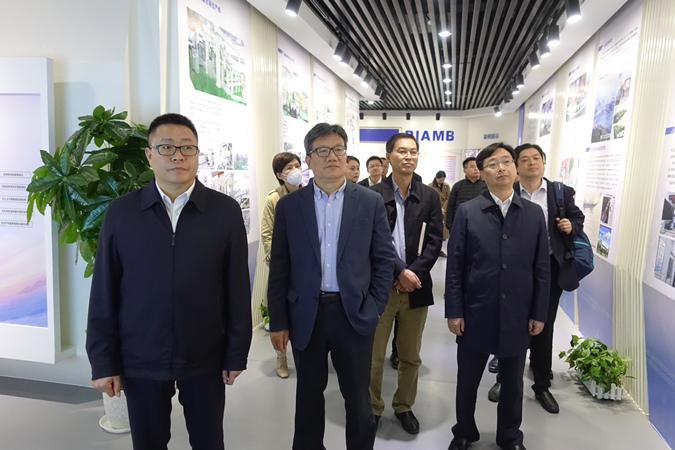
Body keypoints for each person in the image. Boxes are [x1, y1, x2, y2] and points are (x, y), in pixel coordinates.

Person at [86, 113, 252, 450]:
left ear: (197, 154)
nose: (178, 155)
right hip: (140, 355)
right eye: (166, 147)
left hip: (204, 354)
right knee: (149, 442)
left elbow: (237, 288)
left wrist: (236, 353)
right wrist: (103, 361)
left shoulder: (224, 211)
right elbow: (104, 290)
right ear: (150, 155)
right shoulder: (122, 212)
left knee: (208, 441)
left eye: (187, 147)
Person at [267, 123, 395, 450]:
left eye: (338, 149)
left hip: (353, 313)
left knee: (358, 398)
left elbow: (383, 260)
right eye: (322, 150)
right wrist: (278, 321)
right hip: (305, 314)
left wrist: (374, 307)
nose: (332, 157)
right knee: (308, 396)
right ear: (309, 159)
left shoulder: (368, 202)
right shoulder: (289, 206)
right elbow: (280, 267)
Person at [445, 142, 549, 450]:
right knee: (467, 380)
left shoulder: (533, 214)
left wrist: (539, 312)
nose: (501, 168)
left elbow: (542, 268)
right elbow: (455, 266)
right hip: (476, 310)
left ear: (515, 169)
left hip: (518, 313)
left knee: (513, 383)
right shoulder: (468, 212)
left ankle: (510, 436)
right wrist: (454, 310)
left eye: (506, 161)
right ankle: (464, 432)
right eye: (492, 164)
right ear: (482, 173)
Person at [486, 144, 585, 414]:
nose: (532, 163)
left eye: (536, 158)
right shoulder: (508, 190)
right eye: (525, 159)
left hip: (548, 269)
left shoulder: (559, 192)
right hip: (512, 269)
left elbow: (577, 217)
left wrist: (570, 225)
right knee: (509, 323)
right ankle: (504, 380)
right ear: (516, 165)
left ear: (543, 162)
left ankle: (541, 385)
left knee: (544, 325)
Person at [369, 132, 443, 435]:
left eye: (413, 151)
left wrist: (413, 274)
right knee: (374, 356)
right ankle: (373, 407)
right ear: (389, 157)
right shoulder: (372, 195)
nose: (408, 156)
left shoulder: (429, 196)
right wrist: (400, 271)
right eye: (402, 151)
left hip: (415, 287)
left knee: (410, 355)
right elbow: (373, 242)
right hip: (380, 287)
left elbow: (434, 242)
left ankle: (403, 406)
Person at [261, 151, 302, 379]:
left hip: (305, 267)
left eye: (297, 165)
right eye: (289, 168)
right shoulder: (273, 199)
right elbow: (267, 234)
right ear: (280, 175)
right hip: (283, 266)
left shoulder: (310, 194)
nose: (295, 171)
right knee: (280, 312)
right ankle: (281, 356)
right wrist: (277, 262)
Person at [429, 170, 451, 256]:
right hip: (435, 209)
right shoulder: (430, 186)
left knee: (443, 232)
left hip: (444, 210)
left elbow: (448, 198)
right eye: (440, 180)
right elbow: (430, 199)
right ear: (436, 178)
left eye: (443, 180)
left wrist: (443, 208)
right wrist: (439, 209)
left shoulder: (446, 186)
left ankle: (440, 250)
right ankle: (435, 250)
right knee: (435, 230)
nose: (441, 181)